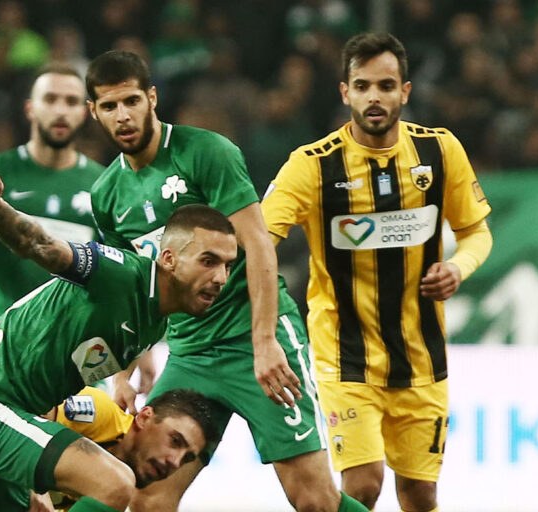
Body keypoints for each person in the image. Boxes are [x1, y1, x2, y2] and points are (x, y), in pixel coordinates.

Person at [83, 50, 367, 512]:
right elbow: (133, 288)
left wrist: (265, 342)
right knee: (147, 497)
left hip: (253, 337)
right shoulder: (106, 194)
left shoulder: (206, 153)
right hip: (190, 353)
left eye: (131, 101)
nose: (123, 115)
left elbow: (259, 244)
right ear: (93, 112)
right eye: (109, 106)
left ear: (152, 98)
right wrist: (125, 369)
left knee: (314, 499)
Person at [260, 33, 494, 512]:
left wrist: (458, 267)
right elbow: (260, 242)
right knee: (364, 483)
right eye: (362, 86)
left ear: (404, 91)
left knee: (420, 495)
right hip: (345, 356)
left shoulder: (438, 151)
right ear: (344, 92)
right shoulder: (312, 165)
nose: (374, 97)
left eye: (385, 86)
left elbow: (476, 232)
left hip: (421, 358)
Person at [0, 163, 236, 512]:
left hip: (14, 415)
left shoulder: (156, 324)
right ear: (169, 259)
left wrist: (122, 380)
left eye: (228, 266)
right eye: (208, 261)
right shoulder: (121, 274)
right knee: (115, 483)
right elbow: (41, 245)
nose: (221, 278)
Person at [0, 386, 222, 512]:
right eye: (175, 441)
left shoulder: (107, 496)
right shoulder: (101, 414)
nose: (174, 461)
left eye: (187, 458)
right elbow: (22, 405)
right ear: (144, 418)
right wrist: (35, 483)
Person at [0, 64, 106, 333]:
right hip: (3, 338)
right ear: (30, 108)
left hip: (74, 341)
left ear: (85, 112)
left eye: (71, 101)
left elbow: (119, 266)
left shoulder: (103, 184)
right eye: (50, 99)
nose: (61, 110)